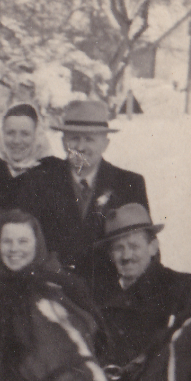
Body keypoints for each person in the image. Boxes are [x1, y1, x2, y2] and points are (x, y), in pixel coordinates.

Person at [15, 98, 148, 286]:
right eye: (74, 138)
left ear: (105, 144)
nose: (81, 147)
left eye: (90, 139)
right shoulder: (37, 181)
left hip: (107, 295)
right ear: (63, 142)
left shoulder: (128, 184)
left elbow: (146, 253)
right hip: (50, 290)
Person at [91, 203, 191, 370]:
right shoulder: (99, 297)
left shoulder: (181, 287)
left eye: (134, 246)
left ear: (153, 247)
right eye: (118, 248)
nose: (126, 256)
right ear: (110, 255)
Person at [0, 104, 57, 234]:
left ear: (37, 136)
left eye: (25, 134)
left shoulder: (52, 174)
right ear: (1, 134)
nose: (16, 141)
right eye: (10, 133)